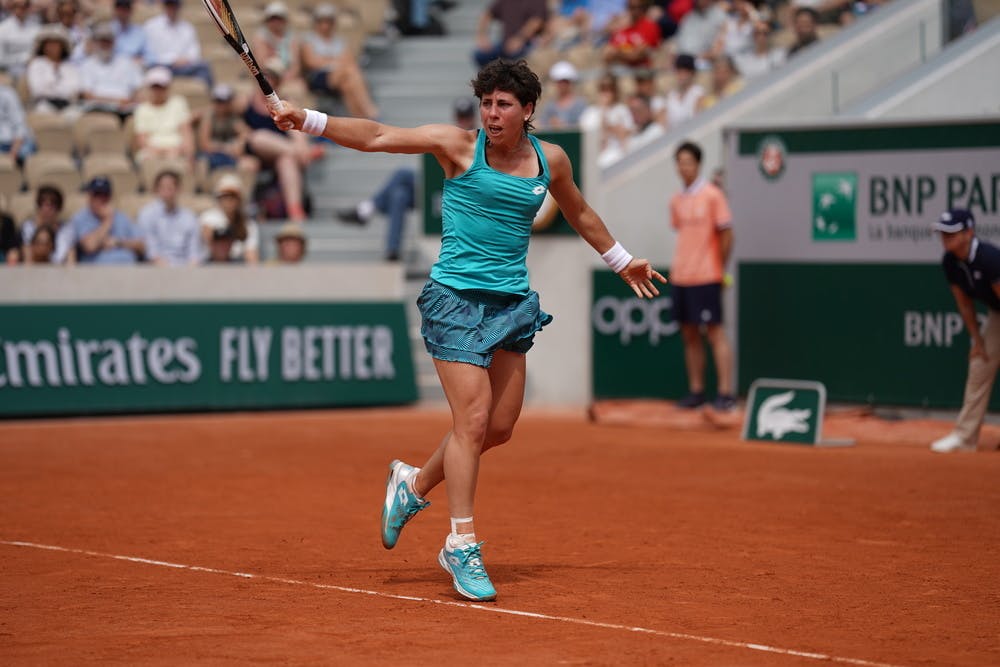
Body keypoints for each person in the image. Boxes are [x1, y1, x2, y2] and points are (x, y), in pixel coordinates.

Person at [272, 58, 664, 602]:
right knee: (473, 418)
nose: (492, 113)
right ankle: (461, 545)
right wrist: (308, 119)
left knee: (498, 427)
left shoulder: (550, 160)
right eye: (487, 103)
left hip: (509, 305)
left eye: (504, 104)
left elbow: (578, 212)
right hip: (454, 300)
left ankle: (411, 484)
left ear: (528, 111)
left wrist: (622, 261)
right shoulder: (457, 146)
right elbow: (379, 135)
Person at [336, 97, 478, 261]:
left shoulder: (478, 142)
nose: (463, 121)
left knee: (402, 178)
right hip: (434, 190)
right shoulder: (449, 136)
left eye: (466, 117)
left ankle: (367, 209)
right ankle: (392, 250)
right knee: (399, 194)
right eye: (460, 117)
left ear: (473, 118)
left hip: (454, 196)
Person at [669, 140, 735, 411]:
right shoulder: (676, 200)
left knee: (715, 333)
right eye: (680, 162)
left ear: (698, 164)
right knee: (689, 335)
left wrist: (718, 269)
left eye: (689, 162)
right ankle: (696, 391)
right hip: (681, 277)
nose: (684, 167)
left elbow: (727, 235)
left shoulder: (712, 195)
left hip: (707, 275)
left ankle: (725, 393)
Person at [930, 209, 1000, 453]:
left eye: (951, 233)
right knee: (980, 363)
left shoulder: (990, 258)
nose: (945, 238)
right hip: (997, 313)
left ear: (969, 233)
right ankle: (965, 437)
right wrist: (977, 340)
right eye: (943, 233)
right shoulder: (950, 262)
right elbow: (964, 303)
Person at [300, 3, 379, 120]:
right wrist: (336, 62)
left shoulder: (339, 41)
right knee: (350, 72)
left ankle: (360, 120)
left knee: (348, 84)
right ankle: (371, 111)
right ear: (316, 22)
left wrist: (329, 61)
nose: (325, 25)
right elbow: (312, 62)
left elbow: (349, 61)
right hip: (318, 77)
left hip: (339, 76)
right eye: (322, 21)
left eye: (329, 21)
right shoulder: (308, 39)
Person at [56, 175, 145, 264]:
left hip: (128, 270)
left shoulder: (122, 217)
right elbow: (90, 246)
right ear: (89, 196)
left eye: (104, 195)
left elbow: (142, 246)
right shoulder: (80, 218)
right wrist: (107, 221)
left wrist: (118, 243)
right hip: (97, 272)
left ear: (109, 197)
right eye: (96, 194)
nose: (100, 199)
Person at [136, 168, 202, 266]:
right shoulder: (147, 215)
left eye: (170, 188)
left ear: (178, 189)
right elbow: (151, 252)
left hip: (186, 270)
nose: (166, 193)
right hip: (156, 270)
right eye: (163, 188)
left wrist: (190, 269)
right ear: (156, 190)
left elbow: (194, 252)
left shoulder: (189, 217)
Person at [78, 20, 143, 117]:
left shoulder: (127, 63)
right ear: (96, 42)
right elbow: (87, 95)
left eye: (108, 40)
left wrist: (130, 100)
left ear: (114, 42)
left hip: (125, 110)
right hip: (97, 109)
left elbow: (138, 89)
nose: (105, 44)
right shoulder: (87, 64)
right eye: (102, 40)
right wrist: (116, 101)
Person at [132, 66, 194, 165]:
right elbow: (142, 139)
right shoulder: (142, 109)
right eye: (155, 87)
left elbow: (186, 133)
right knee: (148, 158)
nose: (158, 91)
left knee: (175, 158)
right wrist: (160, 151)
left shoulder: (179, 103)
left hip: (177, 149)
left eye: (161, 87)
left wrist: (188, 154)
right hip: (152, 150)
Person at [143, 0, 212, 86]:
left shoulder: (188, 28)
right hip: (160, 66)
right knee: (150, 69)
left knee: (204, 67)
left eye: (174, 5)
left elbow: (194, 53)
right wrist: (173, 60)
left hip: (184, 67)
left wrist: (184, 60)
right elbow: (149, 54)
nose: (172, 9)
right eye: (169, 5)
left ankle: (211, 97)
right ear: (164, 6)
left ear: (179, 7)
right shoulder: (151, 26)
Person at [198, 83, 259, 175]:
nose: (221, 105)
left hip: (230, 157)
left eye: (224, 101)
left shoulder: (234, 119)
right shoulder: (209, 117)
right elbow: (205, 145)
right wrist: (226, 148)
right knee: (202, 164)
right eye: (218, 101)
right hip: (211, 156)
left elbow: (243, 138)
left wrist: (237, 144)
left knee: (252, 164)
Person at [199, 173, 260, 264]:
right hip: (211, 264)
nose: (229, 200)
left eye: (233, 196)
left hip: (238, 267)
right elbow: (212, 248)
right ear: (218, 198)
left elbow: (251, 255)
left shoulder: (249, 224)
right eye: (225, 196)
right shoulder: (208, 217)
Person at [473, 0, 549, 69]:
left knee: (520, 57)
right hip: (505, 44)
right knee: (480, 55)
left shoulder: (537, 2)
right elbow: (487, 14)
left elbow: (537, 21)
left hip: (528, 43)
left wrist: (520, 38)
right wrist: (482, 36)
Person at [25, 24, 81, 115]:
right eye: (49, 43)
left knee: (77, 116)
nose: (53, 47)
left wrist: (54, 88)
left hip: (67, 105)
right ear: (43, 46)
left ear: (63, 46)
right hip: (43, 104)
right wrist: (57, 84)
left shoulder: (69, 67)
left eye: (56, 43)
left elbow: (74, 90)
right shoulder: (37, 64)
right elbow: (38, 90)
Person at [602, 0, 661, 70]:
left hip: (641, 71)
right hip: (619, 70)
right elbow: (607, 54)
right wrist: (628, 53)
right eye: (632, 7)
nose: (635, 11)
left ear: (645, 8)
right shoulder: (622, 28)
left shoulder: (650, 26)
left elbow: (638, 55)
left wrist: (618, 53)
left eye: (639, 7)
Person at [19, 184, 66, 263]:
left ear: (59, 207)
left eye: (51, 204)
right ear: (38, 205)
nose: (46, 209)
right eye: (42, 203)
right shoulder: (27, 228)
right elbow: (27, 259)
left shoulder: (66, 230)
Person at [538, 60, 587, 130]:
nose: (562, 85)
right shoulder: (549, 106)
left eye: (565, 81)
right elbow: (542, 125)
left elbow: (584, 126)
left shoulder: (581, 104)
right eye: (559, 82)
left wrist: (564, 126)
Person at [0, 0, 42, 79]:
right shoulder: (2, 29)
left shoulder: (36, 28)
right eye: (17, 6)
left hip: (34, 72)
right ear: (11, 7)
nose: (21, 9)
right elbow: (1, 59)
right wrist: (23, 59)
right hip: (9, 74)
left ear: (29, 7)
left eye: (25, 6)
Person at [664, 52, 703, 127]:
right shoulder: (671, 95)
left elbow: (697, 120)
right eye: (679, 71)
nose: (681, 75)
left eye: (685, 71)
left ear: (692, 73)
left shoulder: (698, 92)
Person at [0, 82, 33, 163]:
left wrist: (14, 152)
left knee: (25, 151)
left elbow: (20, 125)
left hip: (9, 144)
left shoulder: (7, 94)